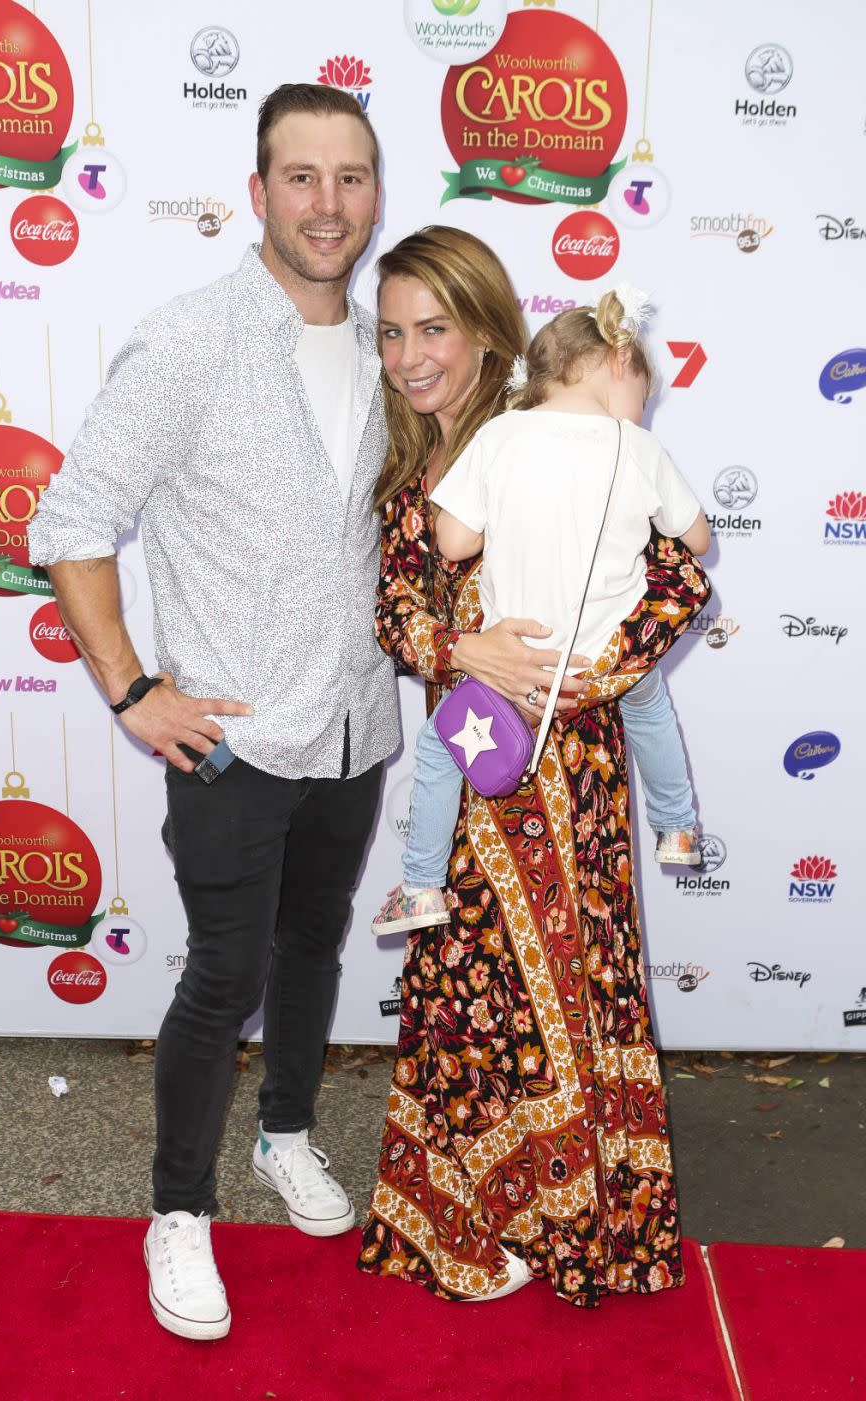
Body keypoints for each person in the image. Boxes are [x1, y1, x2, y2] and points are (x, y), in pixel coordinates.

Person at [27, 84, 398, 1342]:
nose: (329, 204)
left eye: (351, 178)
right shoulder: (191, 338)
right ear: (257, 194)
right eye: (303, 177)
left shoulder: (397, 345)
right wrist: (134, 688)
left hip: (356, 727)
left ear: (375, 194)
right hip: (233, 734)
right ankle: (175, 1212)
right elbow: (68, 523)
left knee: (312, 949)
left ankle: (286, 1136)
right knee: (221, 978)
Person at [357, 226, 711, 1305]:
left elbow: (681, 582)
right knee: (468, 994)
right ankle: (477, 1217)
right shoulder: (417, 463)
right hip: (470, 770)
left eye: (435, 330)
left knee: (569, 987)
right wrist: (462, 649)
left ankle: (576, 1228)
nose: (412, 356)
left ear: (489, 334)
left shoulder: (562, 434)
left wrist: (598, 671)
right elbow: (398, 611)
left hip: (580, 777)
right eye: (391, 335)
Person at [372, 285, 709, 937]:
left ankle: (419, 884)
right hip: (605, 663)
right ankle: (677, 825)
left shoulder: (499, 436)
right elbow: (697, 541)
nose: (643, 408)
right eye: (645, 391)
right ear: (618, 366)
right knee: (650, 706)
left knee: (443, 746)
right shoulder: (635, 450)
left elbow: (453, 542)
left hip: (512, 668)